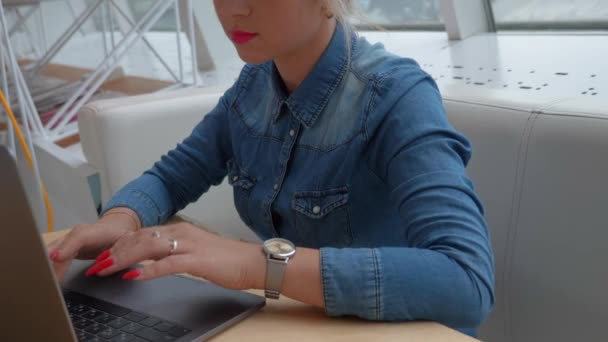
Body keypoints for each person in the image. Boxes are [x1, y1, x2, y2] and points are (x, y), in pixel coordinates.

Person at [47, 0, 495, 336]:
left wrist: (256, 265)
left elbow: (466, 283)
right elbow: (171, 177)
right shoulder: (253, 86)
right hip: (300, 326)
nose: (232, 10)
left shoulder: (396, 96)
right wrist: (120, 220)